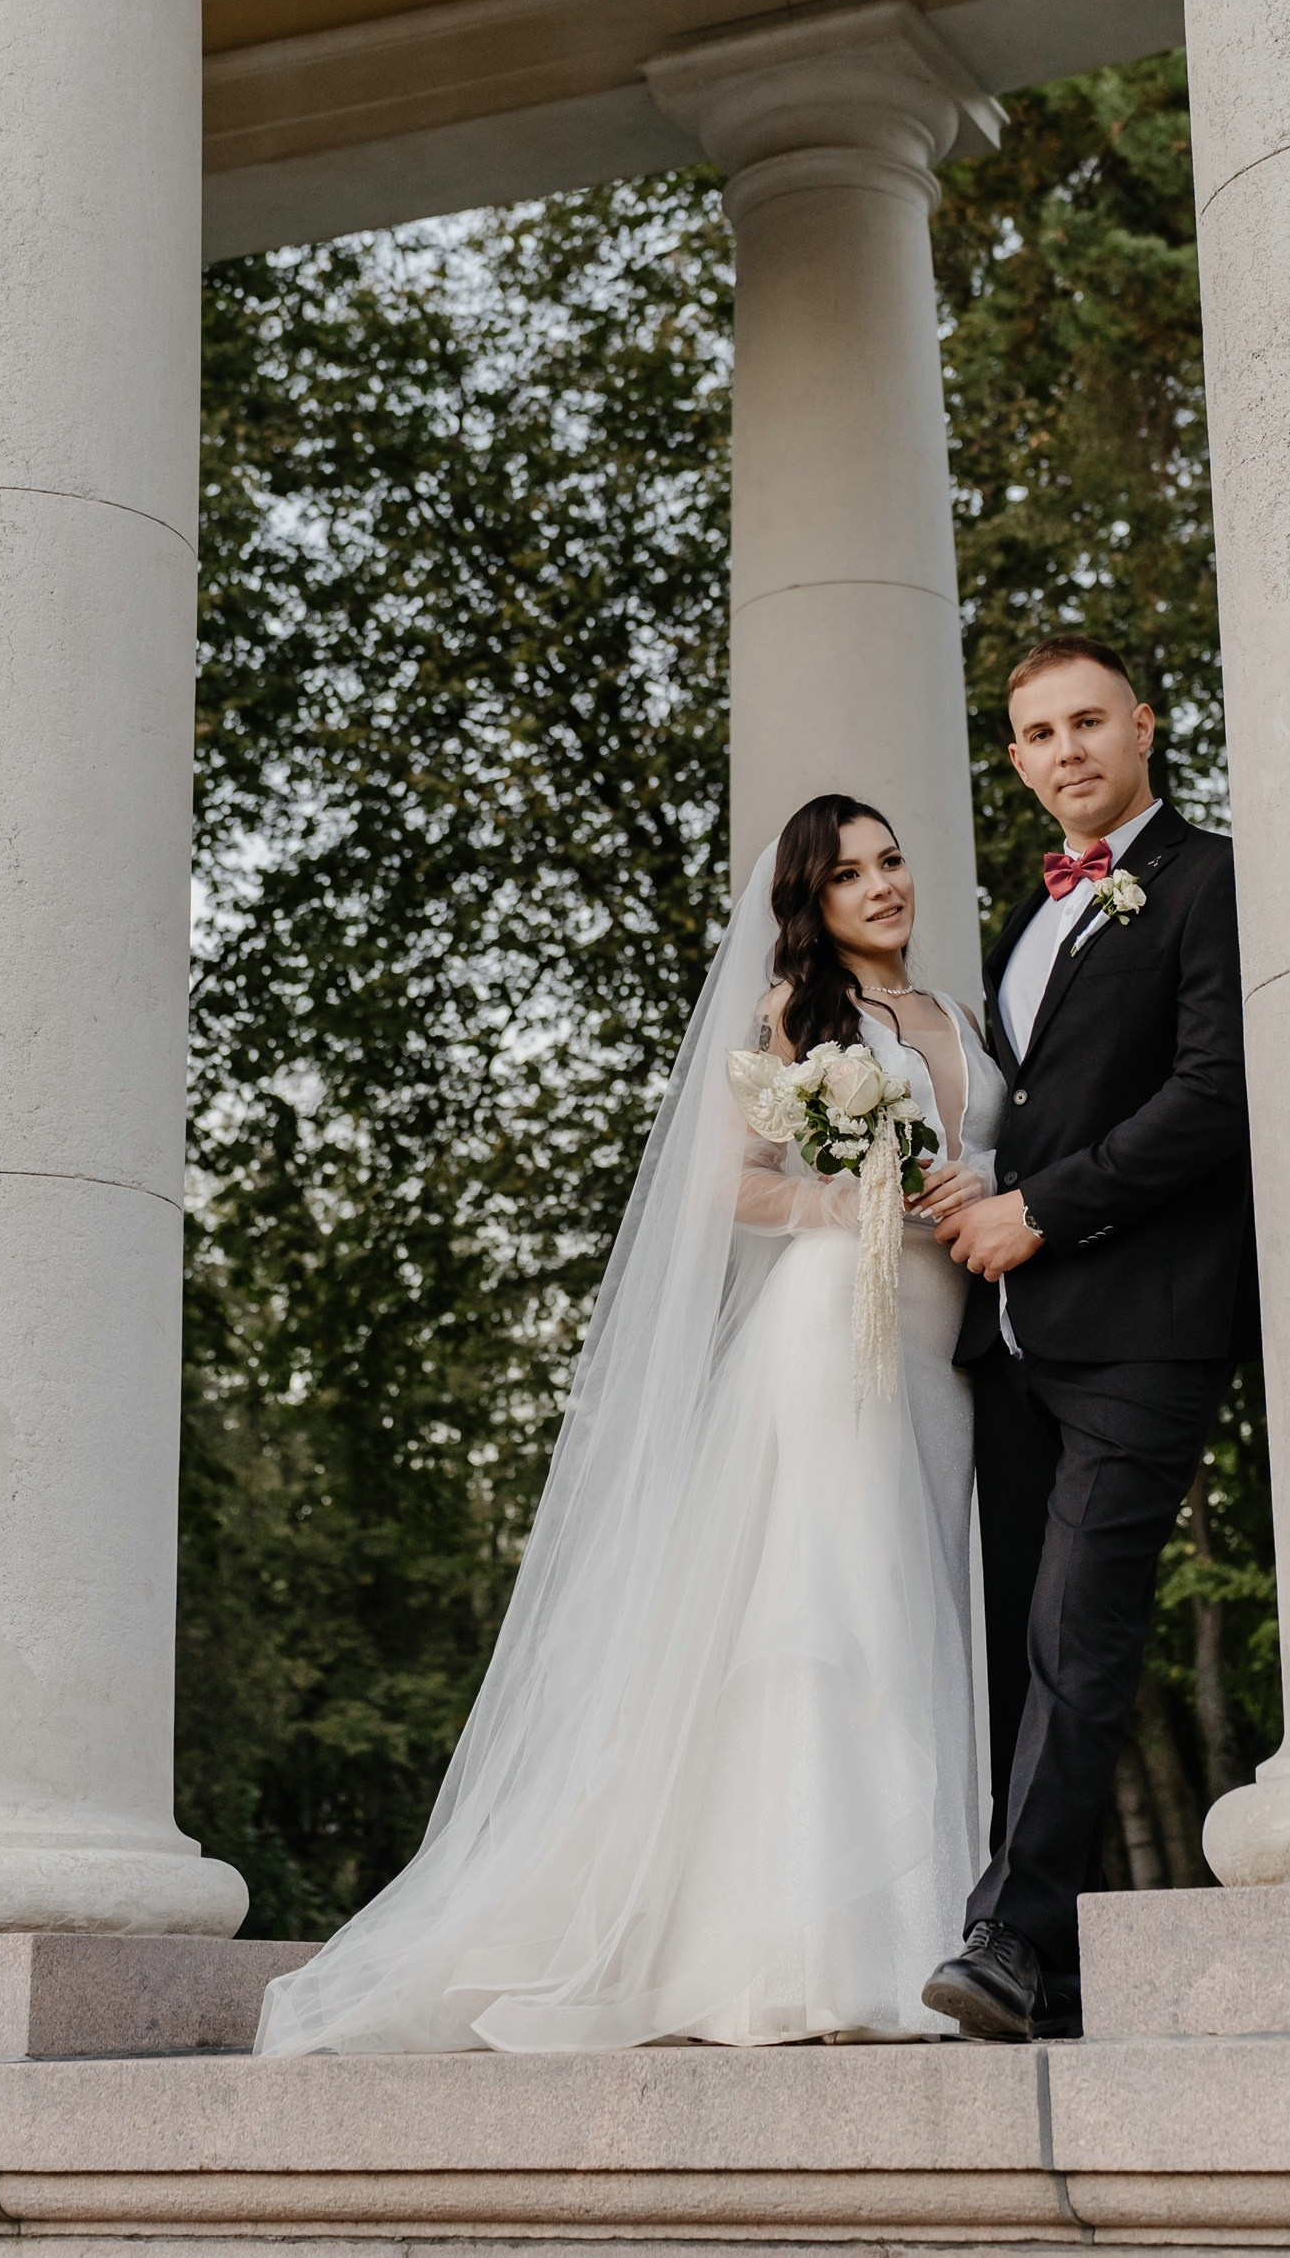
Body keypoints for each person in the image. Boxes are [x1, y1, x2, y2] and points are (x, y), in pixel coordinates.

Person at [256, 794, 1007, 2054]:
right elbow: (731, 1182)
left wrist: (981, 1187)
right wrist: (855, 1201)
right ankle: (818, 1963)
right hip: (832, 1324)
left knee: (921, 1599)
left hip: (944, 1344)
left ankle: (927, 1933)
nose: (883, 886)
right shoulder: (795, 1019)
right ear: (809, 902)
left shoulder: (963, 1022)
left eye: (892, 861)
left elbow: (992, 1150)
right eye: (850, 874)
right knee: (831, 1605)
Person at [921, 637, 1254, 2045]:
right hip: (1005, 1343)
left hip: (1140, 1325)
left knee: (1079, 1635)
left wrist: (1038, 1213)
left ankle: (1006, 1939)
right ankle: (1043, 1980)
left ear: (1142, 726)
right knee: (1006, 1641)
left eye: (1084, 722)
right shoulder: (1025, 919)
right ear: (1013, 761)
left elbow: (1212, 1091)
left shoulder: (1208, 878)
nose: (1063, 750)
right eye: (1034, 733)